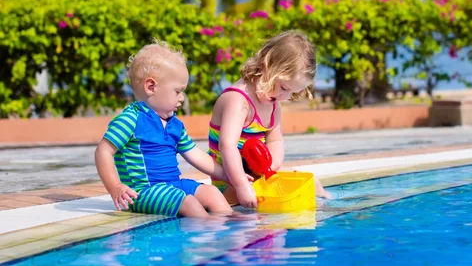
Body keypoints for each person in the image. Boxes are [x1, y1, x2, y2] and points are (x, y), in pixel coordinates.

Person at [95, 40, 249, 218]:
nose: (182, 98)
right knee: (189, 202)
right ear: (151, 87)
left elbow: (195, 155)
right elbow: (103, 152)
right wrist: (115, 187)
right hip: (144, 192)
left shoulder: (174, 124)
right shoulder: (130, 120)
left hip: (174, 185)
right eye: (178, 91)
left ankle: (233, 224)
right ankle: (209, 230)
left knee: (212, 194)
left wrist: (228, 176)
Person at [208, 30, 332, 208]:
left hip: (254, 173)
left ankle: (331, 209)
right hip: (229, 179)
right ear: (267, 64)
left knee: (312, 183)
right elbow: (227, 146)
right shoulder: (238, 101)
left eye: (292, 92)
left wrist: (269, 168)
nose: (285, 96)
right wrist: (241, 184)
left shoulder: (274, 104)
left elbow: (275, 140)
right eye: (283, 87)